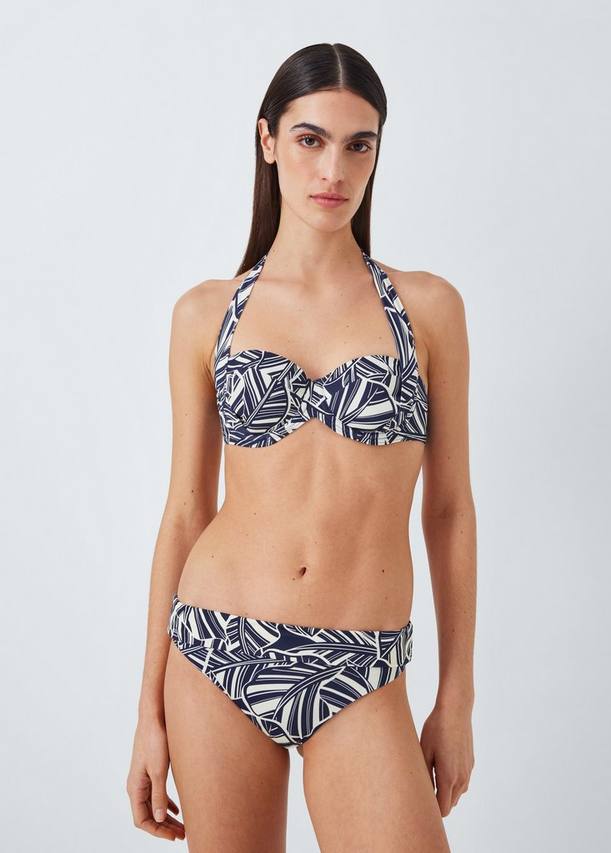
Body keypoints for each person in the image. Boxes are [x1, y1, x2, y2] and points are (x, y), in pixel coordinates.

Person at [127, 42, 476, 852]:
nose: (334, 170)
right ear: (268, 140)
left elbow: (451, 510)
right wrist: (147, 709)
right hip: (214, 647)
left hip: (361, 665)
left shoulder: (427, 309)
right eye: (310, 139)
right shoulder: (206, 314)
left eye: (359, 145)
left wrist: (456, 695)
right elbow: (185, 510)